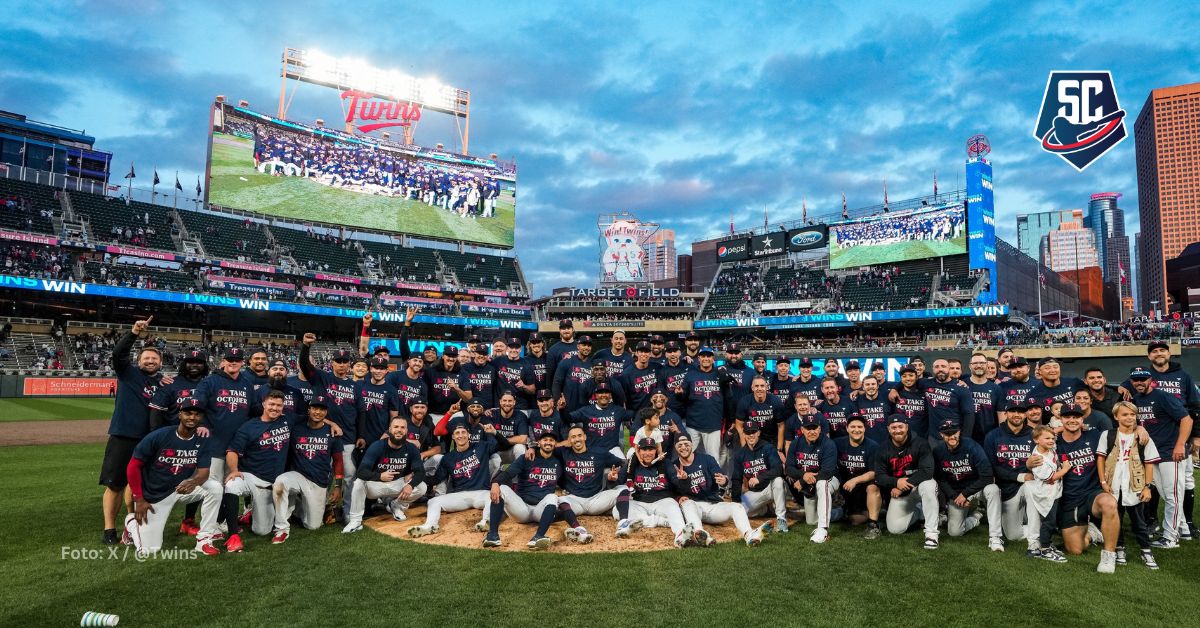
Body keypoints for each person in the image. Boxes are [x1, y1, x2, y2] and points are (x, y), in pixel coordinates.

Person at [122, 398, 221, 557]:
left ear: (201, 418)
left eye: (197, 414)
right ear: (180, 414)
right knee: (149, 550)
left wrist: (194, 481)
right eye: (188, 413)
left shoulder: (202, 440)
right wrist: (139, 499)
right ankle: (131, 522)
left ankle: (204, 540)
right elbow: (133, 466)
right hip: (155, 495)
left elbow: (203, 472)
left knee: (215, 488)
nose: (192, 417)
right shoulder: (159, 436)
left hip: (182, 488)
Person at [100, 316, 163, 545]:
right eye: (146, 357)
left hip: (149, 440)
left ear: (160, 362)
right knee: (115, 484)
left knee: (139, 485)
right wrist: (134, 332)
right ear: (138, 360)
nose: (150, 360)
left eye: (154, 358)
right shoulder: (127, 373)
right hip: (123, 435)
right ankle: (109, 530)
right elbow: (118, 354)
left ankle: (133, 525)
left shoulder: (164, 382)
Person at [216, 391, 291, 552]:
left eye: (279, 405)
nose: (275, 408)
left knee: (262, 531)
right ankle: (233, 535)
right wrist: (234, 470)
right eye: (271, 404)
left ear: (283, 407)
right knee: (232, 484)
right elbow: (232, 451)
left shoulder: (287, 420)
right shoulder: (249, 426)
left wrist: (332, 424)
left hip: (272, 484)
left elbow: (314, 417)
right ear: (264, 404)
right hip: (252, 476)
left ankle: (249, 513)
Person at [1128, 366, 1193, 548]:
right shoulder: (1136, 400)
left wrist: (1180, 444)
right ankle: (1181, 528)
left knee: (1173, 495)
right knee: (1166, 495)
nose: (1139, 382)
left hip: (1171, 452)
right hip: (1152, 453)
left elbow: (1187, 419)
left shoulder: (1162, 396)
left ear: (1150, 379)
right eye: (1136, 379)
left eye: (1143, 379)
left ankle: (1171, 538)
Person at [299, 334, 361, 519]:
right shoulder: (321, 378)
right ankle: (320, 509)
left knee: (350, 477)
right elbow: (304, 365)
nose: (341, 364)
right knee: (323, 475)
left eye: (345, 361)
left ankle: (348, 511)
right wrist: (305, 347)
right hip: (322, 435)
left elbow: (360, 413)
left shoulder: (355, 386)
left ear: (349, 364)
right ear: (332, 363)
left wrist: (360, 435)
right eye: (338, 361)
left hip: (348, 437)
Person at [484, 432, 576, 550]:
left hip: (540, 510)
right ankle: (492, 536)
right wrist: (496, 482)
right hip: (521, 508)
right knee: (502, 488)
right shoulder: (526, 458)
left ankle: (538, 537)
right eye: (545, 440)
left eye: (551, 440)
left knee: (552, 497)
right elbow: (509, 472)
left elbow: (564, 482)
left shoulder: (558, 463)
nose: (548, 442)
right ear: (539, 443)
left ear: (555, 444)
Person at [1097, 401, 1160, 569]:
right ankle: (1119, 548)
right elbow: (1101, 459)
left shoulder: (1143, 437)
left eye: (1132, 414)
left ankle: (1146, 550)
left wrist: (1148, 487)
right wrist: (1103, 481)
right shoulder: (1108, 435)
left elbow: (1149, 463)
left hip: (1135, 487)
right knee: (1115, 519)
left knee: (1139, 522)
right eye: (1125, 414)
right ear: (1116, 416)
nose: (1129, 417)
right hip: (1113, 485)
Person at [406, 425, 497, 537]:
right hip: (460, 495)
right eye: (457, 433)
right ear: (453, 437)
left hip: (481, 493)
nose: (461, 435)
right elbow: (435, 479)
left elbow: (502, 445)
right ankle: (430, 526)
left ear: (469, 435)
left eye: (463, 432)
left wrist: (492, 433)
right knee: (433, 501)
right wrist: (417, 475)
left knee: (492, 497)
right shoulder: (448, 458)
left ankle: (486, 521)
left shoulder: (481, 447)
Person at [674, 434, 766, 546]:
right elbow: (671, 490)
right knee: (687, 503)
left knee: (736, 506)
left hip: (713, 505)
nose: (683, 447)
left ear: (692, 444)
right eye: (680, 445)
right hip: (693, 507)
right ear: (675, 447)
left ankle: (749, 535)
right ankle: (702, 535)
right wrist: (679, 496)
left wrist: (724, 480)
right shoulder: (673, 466)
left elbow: (721, 477)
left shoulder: (706, 459)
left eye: (686, 444)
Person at [343, 416, 427, 533]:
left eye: (402, 427)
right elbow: (361, 472)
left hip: (397, 484)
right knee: (358, 483)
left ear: (407, 431)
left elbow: (420, 472)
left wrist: (410, 485)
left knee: (422, 487)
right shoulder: (377, 446)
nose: (399, 430)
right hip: (376, 485)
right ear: (389, 430)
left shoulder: (411, 448)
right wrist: (379, 476)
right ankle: (355, 521)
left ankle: (396, 505)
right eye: (396, 427)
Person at [270, 396, 336, 544]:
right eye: (314, 408)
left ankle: (299, 510)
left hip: (318, 480)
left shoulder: (332, 432)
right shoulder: (297, 427)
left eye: (321, 409)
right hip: (298, 474)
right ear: (308, 410)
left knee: (313, 526)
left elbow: (337, 460)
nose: (317, 412)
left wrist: (338, 485)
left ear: (326, 412)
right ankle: (281, 528)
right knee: (280, 483)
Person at [932, 420, 1003, 551]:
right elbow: (941, 480)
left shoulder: (972, 446)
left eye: (954, 432)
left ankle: (995, 537)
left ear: (959, 432)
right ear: (941, 435)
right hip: (957, 493)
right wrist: (955, 496)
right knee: (955, 532)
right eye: (947, 434)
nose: (952, 436)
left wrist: (965, 494)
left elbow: (987, 475)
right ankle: (976, 517)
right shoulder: (938, 451)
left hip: (977, 488)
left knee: (993, 489)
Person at [874, 413, 939, 548]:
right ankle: (919, 513)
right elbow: (879, 476)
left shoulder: (921, 443)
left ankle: (931, 535)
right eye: (893, 427)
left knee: (929, 486)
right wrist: (895, 483)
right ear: (888, 429)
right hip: (900, 490)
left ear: (907, 427)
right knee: (895, 529)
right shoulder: (882, 448)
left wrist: (903, 484)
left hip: (919, 485)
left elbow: (927, 471)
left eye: (900, 426)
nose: (897, 430)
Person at [616, 438, 694, 548]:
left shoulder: (665, 463)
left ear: (656, 451)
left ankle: (680, 535)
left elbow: (678, 484)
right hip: (639, 502)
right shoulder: (632, 464)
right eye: (644, 450)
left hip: (662, 501)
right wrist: (612, 478)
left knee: (673, 506)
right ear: (638, 451)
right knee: (617, 510)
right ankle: (661, 521)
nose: (647, 453)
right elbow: (617, 482)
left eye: (651, 449)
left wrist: (683, 479)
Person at [553, 425, 623, 539]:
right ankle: (578, 529)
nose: (577, 439)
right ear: (569, 440)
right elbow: (544, 450)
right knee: (558, 500)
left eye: (579, 435)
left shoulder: (599, 452)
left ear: (585, 437)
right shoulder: (563, 452)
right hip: (574, 500)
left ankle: (624, 523)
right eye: (573, 437)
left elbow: (621, 463)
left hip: (596, 499)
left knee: (623, 491)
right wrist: (531, 448)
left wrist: (614, 474)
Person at [984, 401, 1035, 545]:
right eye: (1013, 411)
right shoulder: (993, 436)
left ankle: (1042, 526)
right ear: (1006, 414)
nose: (1017, 414)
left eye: (1020, 411)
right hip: (1007, 489)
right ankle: (1037, 525)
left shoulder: (1034, 435)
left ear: (1025, 415)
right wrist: (1019, 476)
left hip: (1028, 485)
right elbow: (991, 467)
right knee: (1013, 535)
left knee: (1033, 486)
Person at [784, 414, 838, 543]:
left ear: (820, 429)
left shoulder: (828, 444)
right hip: (808, 482)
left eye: (815, 428)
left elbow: (827, 471)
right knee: (810, 520)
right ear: (802, 430)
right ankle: (839, 511)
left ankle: (823, 528)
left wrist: (802, 480)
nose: (812, 431)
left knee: (821, 484)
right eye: (809, 428)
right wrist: (803, 475)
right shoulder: (796, 443)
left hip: (830, 479)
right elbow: (788, 468)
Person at [730, 424, 789, 532]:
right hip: (756, 492)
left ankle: (781, 519)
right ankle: (765, 509)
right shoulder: (740, 454)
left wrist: (759, 478)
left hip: (771, 488)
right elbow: (736, 479)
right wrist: (736, 501)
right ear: (744, 434)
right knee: (740, 511)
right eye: (748, 433)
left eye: (753, 432)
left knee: (778, 480)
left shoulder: (768, 447)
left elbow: (778, 470)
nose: (750, 435)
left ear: (758, 433)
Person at [1024, 425, 1069, 563]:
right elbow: (1051, 478)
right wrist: (1066, 468)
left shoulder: (1049, 449)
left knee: (1051, 520)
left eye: (1052, 438)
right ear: (1036, 440)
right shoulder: (1037, 459)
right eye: (1047, 438)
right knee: (1048, 522)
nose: (1051, 440)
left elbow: (1054, 434)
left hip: (1053, 492)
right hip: (1045, 494)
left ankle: (1047, 544)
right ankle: (1044, 549)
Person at [834, 415, 881, 538]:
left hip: (863, 485)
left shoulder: (873, 446)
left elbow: (874, 472)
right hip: (845, 487)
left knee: (856, 520)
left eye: (860, 427)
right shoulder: (837, 443)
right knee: (850, 519)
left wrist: (855, 480)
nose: (856, 430)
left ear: (865, 429)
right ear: (847, 428)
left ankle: (873, 520)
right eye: (853, 427)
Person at [677, 346, 726, 464]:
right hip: (693, 424)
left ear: (713, 358)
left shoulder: (720, 373)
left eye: (708, 356)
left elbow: (727, 397)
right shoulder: (691, 374)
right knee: (686, 458)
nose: (706, 358)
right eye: (703, 356)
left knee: (713, 460)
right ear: (698, 358)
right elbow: (683, 397)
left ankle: (715, 483)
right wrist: (680, 394)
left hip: (713, 424)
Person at [568, 383, 630, 458]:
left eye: (606, 392)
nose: (603, 395)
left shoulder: (618, 410)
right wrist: (562, 409)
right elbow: (568, 418)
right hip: (591, 449)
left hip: (613, 449)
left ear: (610, 395)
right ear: (595, 396)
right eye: (600, 392)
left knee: (624, 465)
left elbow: (636, 415)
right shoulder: (586, 410)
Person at [735, 376, 784, 448]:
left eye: (762, 386)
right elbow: (739, 426)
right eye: (756, 386)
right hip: (752, 438)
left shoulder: (776, 401)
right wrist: (745, 447)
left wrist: (779, 449)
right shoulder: (744, 402)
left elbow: (781, 426)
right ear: (752, 388)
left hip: (771, 439)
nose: (759, 389)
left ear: (767, 387)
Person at [552, 336, 596, 414]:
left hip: (586, 408)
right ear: (578, 346)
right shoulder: (566, 361)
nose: (586, 347)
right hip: (567, 406)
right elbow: (557, 382)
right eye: (584, 345)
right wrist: (557, 400)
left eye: (589, 346)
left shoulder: (593, 365)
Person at [966, 353, 1002, 441]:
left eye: (982, 363)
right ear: (970, 366)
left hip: (990, 437)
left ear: (986, 365)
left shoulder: (996, 388)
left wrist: (1002, 436)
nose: (978, 365)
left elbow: (1001, 415)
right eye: (975, 363)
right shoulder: (961, 385)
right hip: (967, 437)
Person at [492, 337, 535, 410]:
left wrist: (524, 386)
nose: (514, 350)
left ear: (520, 349)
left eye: (516, 348)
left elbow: (532, 390)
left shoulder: (527, 365)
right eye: (511, 347)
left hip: (519, 406)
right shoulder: (498, 361)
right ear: (507, 348)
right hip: (500, 405)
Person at [620, 341, 661, 412]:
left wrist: (685, 360)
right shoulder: (627, 373)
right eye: (641, 351)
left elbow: (670, 368)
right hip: (635, 414)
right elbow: (623, 398)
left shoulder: (657, 367)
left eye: (646, 352)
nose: (644, 354)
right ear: (636, 353)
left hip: (654, 413)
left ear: (650, 354)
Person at [853, 375, 892, 444]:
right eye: (867, 384)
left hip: (886, 443)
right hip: (866, 444)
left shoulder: (887, 397)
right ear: (863, 387)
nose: (870, 386)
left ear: (878, 386)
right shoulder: (857, 400)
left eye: (873, 384)